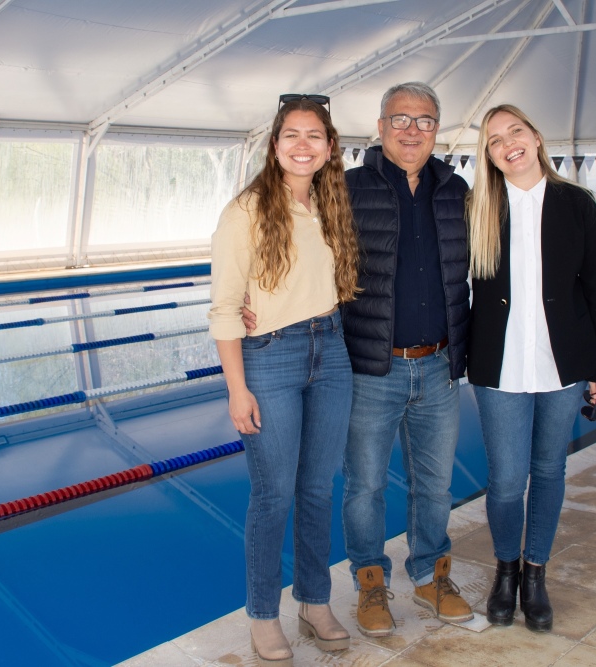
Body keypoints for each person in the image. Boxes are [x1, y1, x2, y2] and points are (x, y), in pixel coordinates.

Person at [241, 81, 473, 637]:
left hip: (439, 365)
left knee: (436, 485)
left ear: (437, 130)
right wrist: (257, 296)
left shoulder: (457, 189)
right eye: (400, 119)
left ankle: (432, 575)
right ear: (380, 126)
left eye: (424, 121)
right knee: (364, 486)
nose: (411, 130)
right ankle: (371, 583)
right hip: (371, 364)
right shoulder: (343, 188)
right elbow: (289, 234)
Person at [208, 95, 359, 666]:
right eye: (291, 135)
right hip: (270, 356)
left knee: (319, 488)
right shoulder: (244, 212)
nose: (303, 145)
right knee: (274, 494)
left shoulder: (331, 202)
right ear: (274, 146)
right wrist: (236, 387)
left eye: (314, 135)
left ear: (329, 146)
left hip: (333, 351)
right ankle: (263, 614)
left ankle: (314, 602)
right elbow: (224, 306)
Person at [465, 104, 596, 632]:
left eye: (515, 132)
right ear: (488, 155)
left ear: (536, 136)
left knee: (549, 471)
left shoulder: (577, 204)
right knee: (506, 481)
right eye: (494, 140)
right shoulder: (479, 208)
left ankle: (536, 573)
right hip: (498, 369)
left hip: (563, 366)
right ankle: (505, 570)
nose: (508, 144)